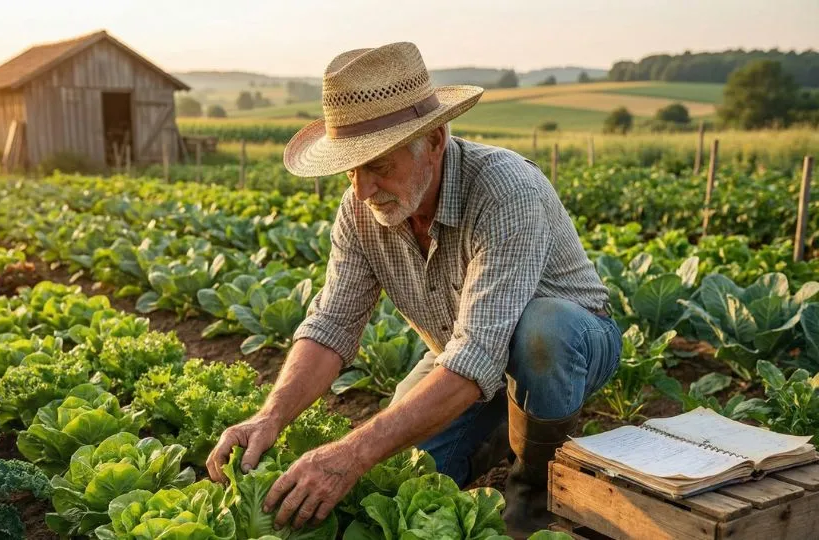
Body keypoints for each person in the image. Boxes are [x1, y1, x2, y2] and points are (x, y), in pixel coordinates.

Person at [205, 41, 621, 537]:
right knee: (399, 475)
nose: (362, 188)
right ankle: (493, 435)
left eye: (380, 165)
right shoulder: (360, 211)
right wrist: (269, 417)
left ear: (436, 140)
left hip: (571, 344)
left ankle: (536, 491)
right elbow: (332, 324)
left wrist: (351, 452)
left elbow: (479, 355)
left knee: (541, 330)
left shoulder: (506, 189)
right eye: (353, 169)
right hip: (459, 355)